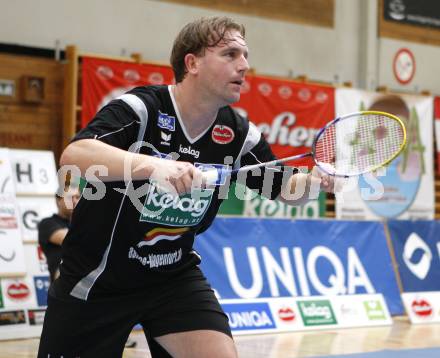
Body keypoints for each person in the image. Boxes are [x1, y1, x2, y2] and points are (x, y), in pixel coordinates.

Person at [38, 16, 335, 357]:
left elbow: (285, 189)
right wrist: (156, 167)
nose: (245, 66)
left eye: (246, 56)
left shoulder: (238, 134)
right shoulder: (142, 110)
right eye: (230, 55)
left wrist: (318, 182)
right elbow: (74, 155)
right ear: (191, 63)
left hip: (172, 276)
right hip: (99, 276)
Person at [38, 187, 80, 282]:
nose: (74, 201)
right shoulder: (47, 223)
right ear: (59, 201)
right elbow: (70, 239)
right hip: (63, 284)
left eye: (77, 197)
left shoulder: (84, 224)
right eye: (70, 197)